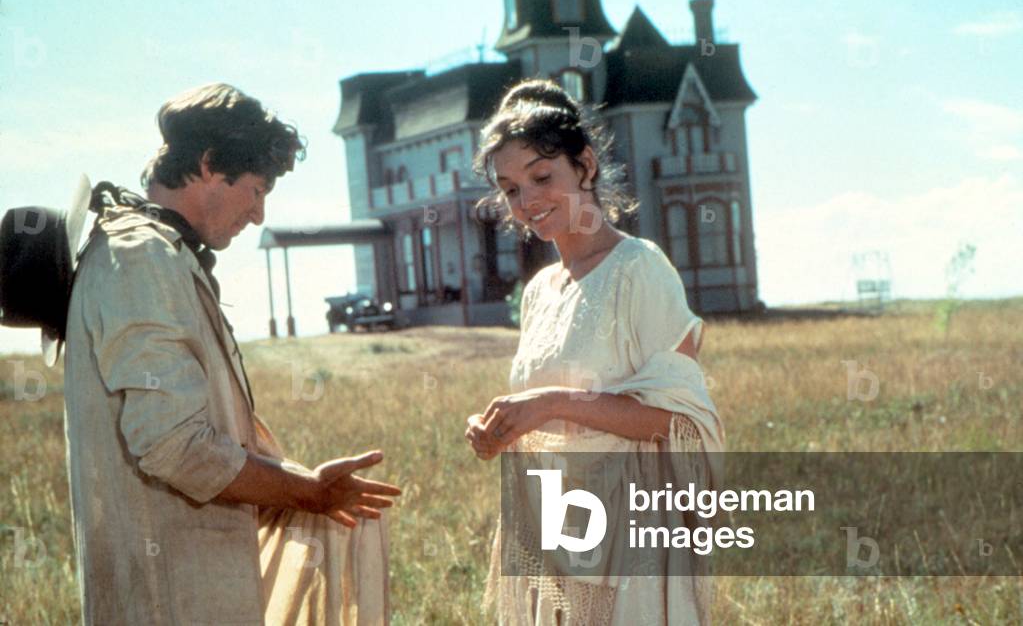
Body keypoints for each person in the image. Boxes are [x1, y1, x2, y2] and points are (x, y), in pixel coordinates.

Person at [63, 83, 400, 625]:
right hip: (167, 596)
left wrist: (296, 484)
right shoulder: (141, 257)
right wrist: (306, 493)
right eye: (256, 189)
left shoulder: (158, 252)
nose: (260, 214)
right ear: (209, 165)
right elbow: (174, 444)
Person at [464, 79, 725, 625]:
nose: (528, 201)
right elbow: (542, 414)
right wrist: (504, 429)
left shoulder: (639, 268)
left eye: (542, 176)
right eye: (510, 189)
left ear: (584, 166)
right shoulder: (540, 292)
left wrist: (552, 402)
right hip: (558, 526)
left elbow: (678, 421)